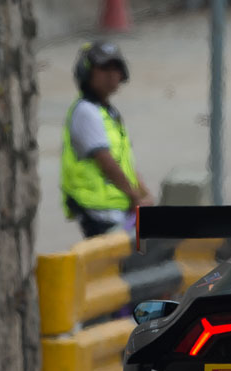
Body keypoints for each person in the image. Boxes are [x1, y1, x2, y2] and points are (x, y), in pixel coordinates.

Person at [61, 41, 154, 237]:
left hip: (116, 212)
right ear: (87, 73)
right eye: (104, 68)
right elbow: (107, 162)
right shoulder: (86, 112)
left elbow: (124, 162)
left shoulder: (108, 113)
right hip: (100, 213)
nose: (112, 74)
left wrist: (143, 193)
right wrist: (135, 196)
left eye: (116, 68)